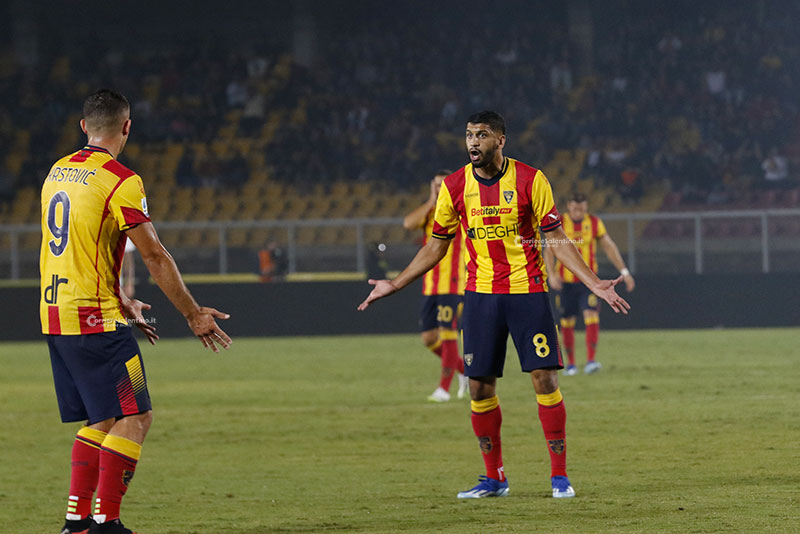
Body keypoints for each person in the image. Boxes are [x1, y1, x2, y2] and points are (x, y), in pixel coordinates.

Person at [359, 111, 630, 499]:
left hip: (527, 293)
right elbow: (435, 245)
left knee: (545, 379)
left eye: (482, 135)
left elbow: (555, 238)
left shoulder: (531, 180)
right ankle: (495, 478)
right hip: (481, 297)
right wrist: (396, 283)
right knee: (479, 388)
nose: (473, 141)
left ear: (500, 140)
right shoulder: (455, 186)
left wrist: (593, 282)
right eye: (469, 134)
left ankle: (559, 476)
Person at [43, 89, 232, 534]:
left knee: (102, 418)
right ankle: (106, 522)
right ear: (127, 127)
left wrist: (121, 298)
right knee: (137, 415)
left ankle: (77, 522)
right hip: (95, 320)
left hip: (56, 314)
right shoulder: (120, 179)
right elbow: (154, 255)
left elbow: (76, 248)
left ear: (83, 126)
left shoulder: (58, 171)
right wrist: (192, 313)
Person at [543, 192, 635, 375]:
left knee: (591, 315)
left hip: (590, 283)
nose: (578, 211)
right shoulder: (560, 222)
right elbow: (549, 249)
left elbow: (609, 246)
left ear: (586, 207)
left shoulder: (594, 223)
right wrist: (551, 274)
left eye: (582, 208)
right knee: (567, 321)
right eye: (575, 207)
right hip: (566, 282)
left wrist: (624, 272)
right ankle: (571, 365)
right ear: (569, 206)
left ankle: (591, 361)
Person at [403, 170, 468, 402]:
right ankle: (464, 370)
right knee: (429, 339)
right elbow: (408, 224)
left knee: (448, 332)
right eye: (436, 185)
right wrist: (431, 200)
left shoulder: (461, 210)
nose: (440, 189)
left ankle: (443, 389)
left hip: (452, 283)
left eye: (443, 185)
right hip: (430, 284)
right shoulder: (430, 212)